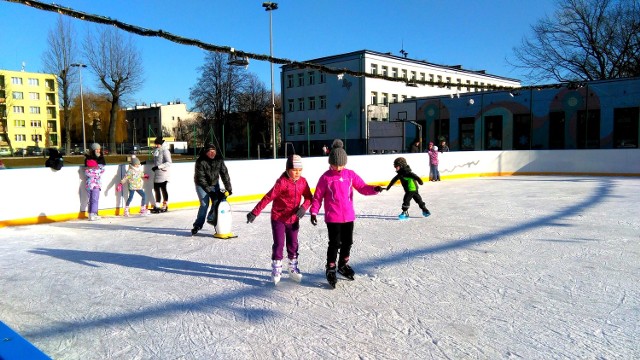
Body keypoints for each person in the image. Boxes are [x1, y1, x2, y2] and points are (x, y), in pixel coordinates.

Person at [310, 139, 383, 288]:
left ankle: (342, 264)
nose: (337, 167)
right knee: (335, 243)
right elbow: (317, 197)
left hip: (348, 216)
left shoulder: (350, 175)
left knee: (348, 242)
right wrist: (313, 212)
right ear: (329, 163)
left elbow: (362, 187)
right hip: (333, 217)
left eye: (340, 164)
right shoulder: (325, 178)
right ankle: (331, 267)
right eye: (334, 164)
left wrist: (374, 189)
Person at [246, 154, 313, 284]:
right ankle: (277, 268)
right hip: (279, 218)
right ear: (288, 169)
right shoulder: (281, 182)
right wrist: (255, 212)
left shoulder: (303, 182)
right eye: (294, 170)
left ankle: (292, 267)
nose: (297, 173)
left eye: (299, 170)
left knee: (293, 243)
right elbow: (268, 197)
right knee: (279, 243)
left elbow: (310, 197)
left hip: (293, 219)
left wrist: (304, 207)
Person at [191, 143, 233, 236]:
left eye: (214, 151)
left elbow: (224, 174)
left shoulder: (219, 159)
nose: (212, 153)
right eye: (210, 151)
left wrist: (228, 188)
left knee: (217, 201)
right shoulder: (200, 161)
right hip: (201, 185)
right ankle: (197, 225)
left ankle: (212, 218)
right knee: (204, 205)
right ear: (206, 152)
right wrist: (210, 192)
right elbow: (201, 178)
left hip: (214, 183)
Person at [150, 136, 172, 213]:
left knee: (163, 189)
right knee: (156, 189)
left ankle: (165, 205)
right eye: (155, 144)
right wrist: (143, 162)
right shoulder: (157, 151)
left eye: (157, 144)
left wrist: (158, 167)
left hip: (163, 173)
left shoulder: (165, 151)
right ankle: (157, 206)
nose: (156, 145)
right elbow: (155, 161)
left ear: (161, 144)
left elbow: (169, 162)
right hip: (157, 173)